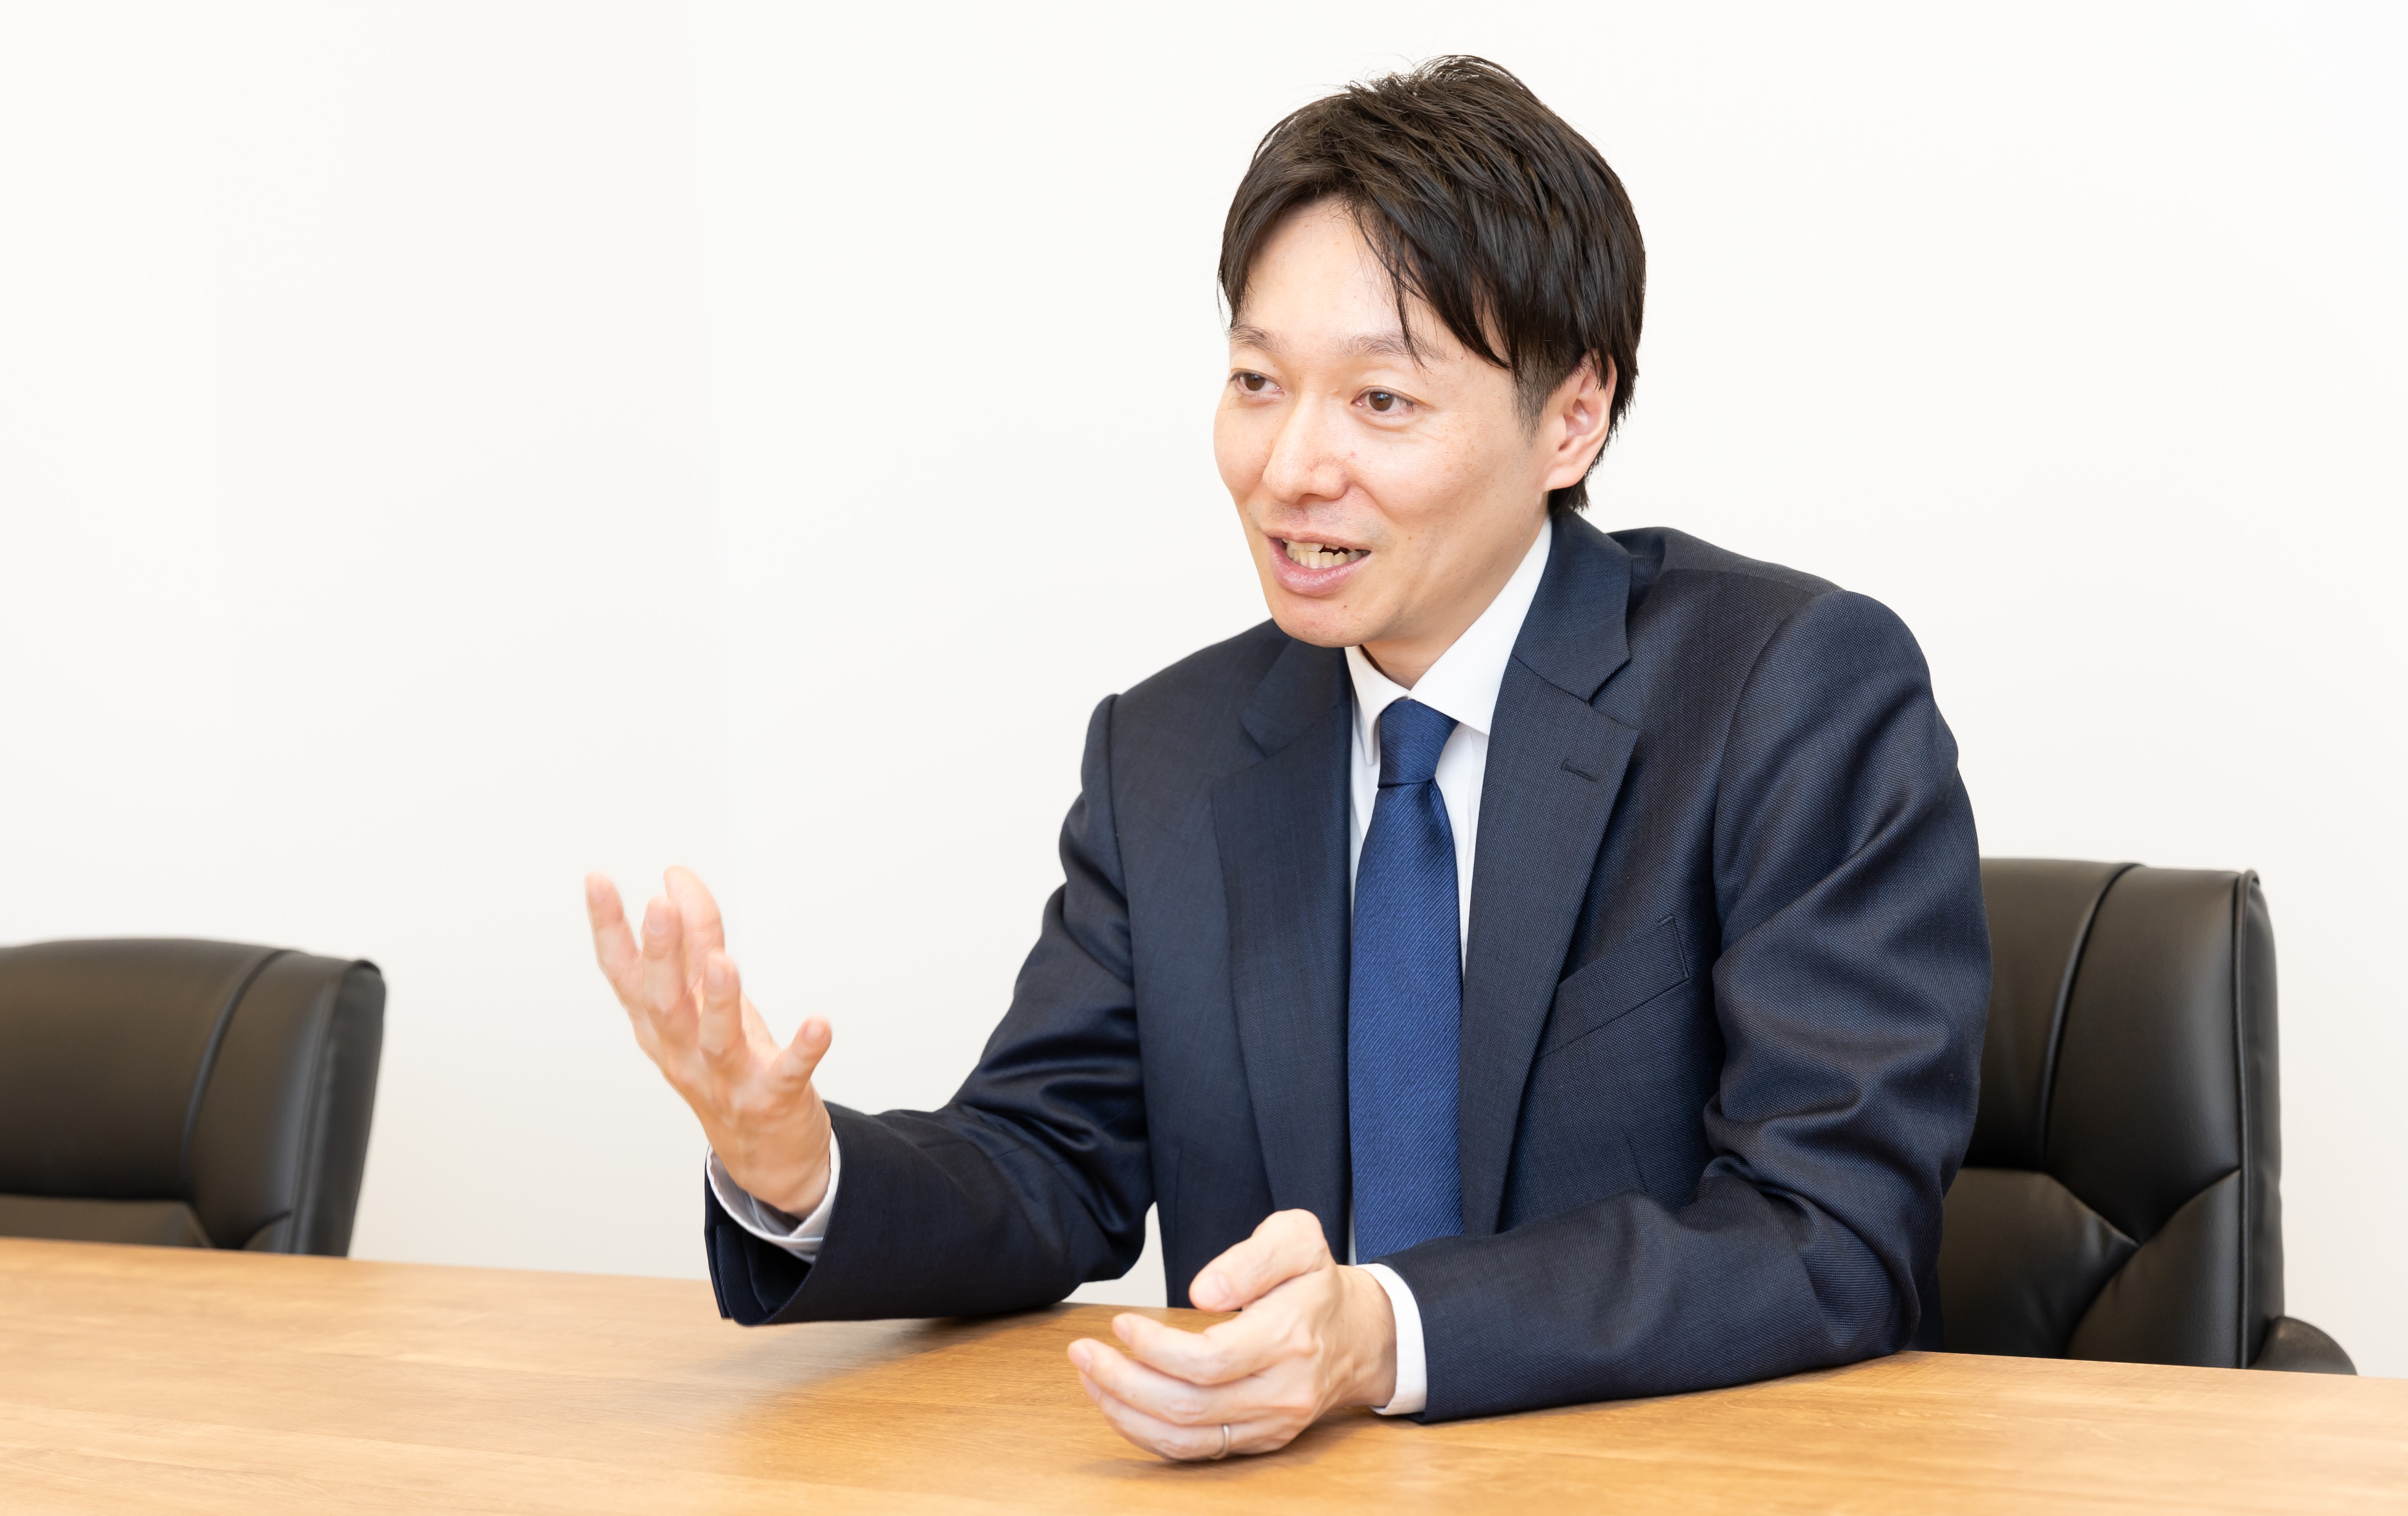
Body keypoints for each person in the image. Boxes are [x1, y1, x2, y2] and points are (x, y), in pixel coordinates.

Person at [584, 56, 1988, 1460]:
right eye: (1258, 381)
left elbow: (1829, 1233)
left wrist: (1387, 1334)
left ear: (1571, 418)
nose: (1290, 467)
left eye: (1381, 401)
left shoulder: (1785, 694)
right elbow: (1050, 1159)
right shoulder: (1171, 752)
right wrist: (801, 1168)